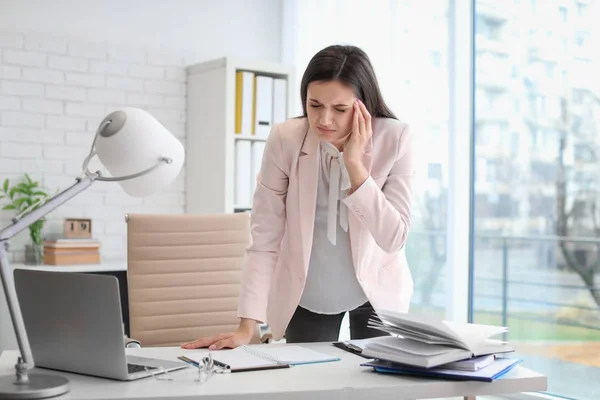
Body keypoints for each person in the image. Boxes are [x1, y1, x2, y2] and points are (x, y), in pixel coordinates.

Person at [181, 44, 415, 350]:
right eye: (314, 105)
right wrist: (246, 327)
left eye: (340, 109)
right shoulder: (285, 139)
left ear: (363, 105)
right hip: (309, 290)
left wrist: (356, 168)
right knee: (307, 385)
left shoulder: (395, 139)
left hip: (377, 293)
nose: (324, 120)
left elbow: (394, 237)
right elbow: (265, 237)